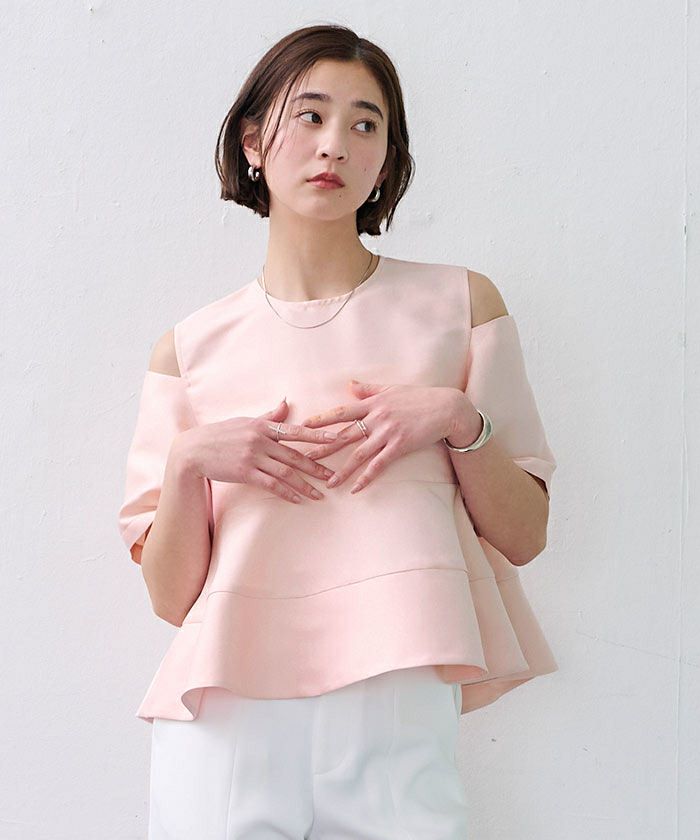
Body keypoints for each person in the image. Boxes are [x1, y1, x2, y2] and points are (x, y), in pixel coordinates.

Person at [117, 23, 558, 839]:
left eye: (365, 124)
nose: (335, 145)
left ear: (386, 161)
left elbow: (526, 535)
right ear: (254, 142)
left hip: (397, 693)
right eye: (311, 115)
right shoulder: (189, 349)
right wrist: (188, 462)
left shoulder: (462, 307)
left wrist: (457, 419)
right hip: (227, 720)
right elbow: (172, 599)